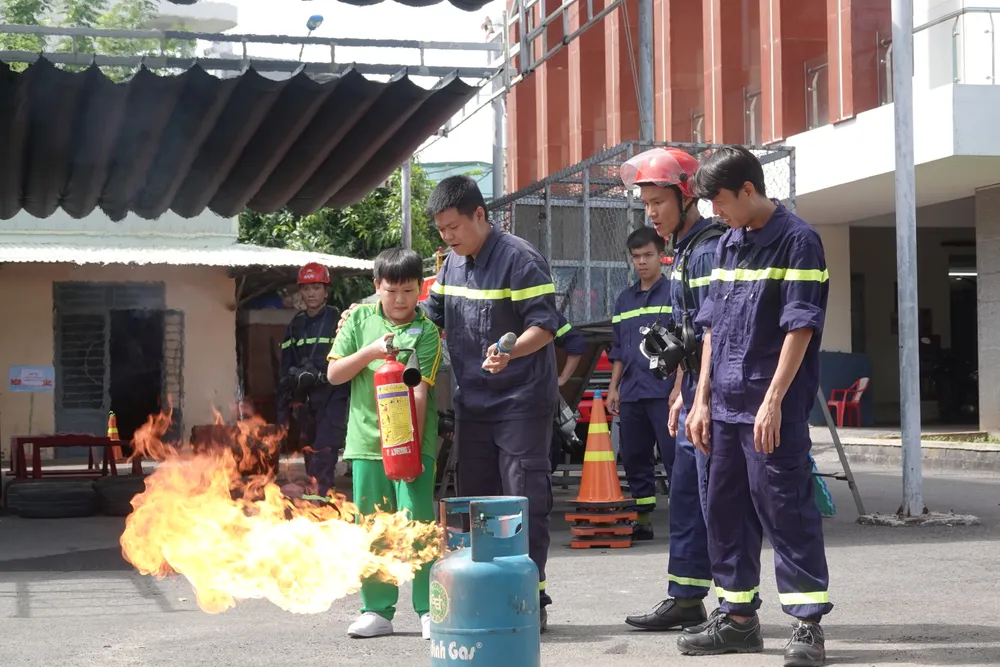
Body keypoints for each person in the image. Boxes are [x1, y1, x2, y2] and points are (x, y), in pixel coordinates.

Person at [336, 175, 560, 633]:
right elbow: (422, 311)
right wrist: (363, 307)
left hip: (520, 403)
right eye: (441, 230)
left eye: (454, 227)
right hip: (474, 405)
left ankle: (527, 597)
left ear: (480, 215)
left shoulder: (520, 260)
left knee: (521, 502)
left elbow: (545, 324)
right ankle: (482, 596)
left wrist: (509, 352)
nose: (448, 237)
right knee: (474, 507)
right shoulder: (452, 266)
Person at [677, 145, 832, 667]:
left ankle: (807, 626)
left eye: (718, 201)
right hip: (722, 408)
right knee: (725, 512)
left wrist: (773, 402)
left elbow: (801, 326)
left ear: (748, 190)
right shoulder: (728, 244)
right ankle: (738, 619)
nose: (714, 211)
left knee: (786, 511)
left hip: (772, 409)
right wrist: (700, 400)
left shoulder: (798, 241)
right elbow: (712, 329)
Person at [619, 147, 725, 631]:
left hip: (718, 399)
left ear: (685, 196)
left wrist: (697, 397)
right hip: (691, 397)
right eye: (646, 205)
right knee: (684, 497)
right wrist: (680, 391)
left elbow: (715, 334)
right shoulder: (681, 251)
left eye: (658, 202)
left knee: (716, 501)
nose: (652, 213)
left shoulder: (709, 249)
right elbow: (687, 335)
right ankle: (685, 597)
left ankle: (735, 606)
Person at [326, 248, 442, 641]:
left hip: (412, 444)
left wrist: (411, 453)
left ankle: (430, 610)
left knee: (418, 526)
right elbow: (335, 374)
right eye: (391, 290)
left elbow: (421, 394)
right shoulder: (358, 319)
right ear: (377, 287)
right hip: (366, 444)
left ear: (420, 290)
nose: (399, 300)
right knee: (374, 529)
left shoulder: (426, 332)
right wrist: (371, 352)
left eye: (408, 291)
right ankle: (377, 611)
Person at [607, 226, 678, 540]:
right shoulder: (624, 300)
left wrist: (679, 388)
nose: (642, 262)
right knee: (635, 456)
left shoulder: (674, 294)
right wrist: (613, 388)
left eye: (647, 255)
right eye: (636, 257)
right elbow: (619, 349)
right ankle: (643, 519)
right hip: (633, 392)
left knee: (676, 455)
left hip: (665, 392)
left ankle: (685, 519)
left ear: (660, 255)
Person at [277, 263, 349, 497]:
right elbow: (285, 366)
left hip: (332, 395)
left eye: (316, 287)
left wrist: (322, 375)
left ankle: (323, 497)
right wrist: (284, 409)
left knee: (326, 447)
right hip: (305, 399)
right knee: (308, 448)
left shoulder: (337, 320)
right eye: (306, 288)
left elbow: (348, 358)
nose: (311, 293)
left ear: (326, 291)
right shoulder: (295, 325)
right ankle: (315, 495)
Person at [551, 312, 587, 472]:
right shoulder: (544, 311)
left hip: (534, 401)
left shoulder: (544, 313)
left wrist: (563, 378)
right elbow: (576, 342)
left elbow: (576, 342)